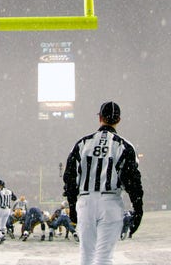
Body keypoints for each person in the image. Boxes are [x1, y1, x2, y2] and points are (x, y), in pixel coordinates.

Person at [63, 101, 144, 264]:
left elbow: (69, 177)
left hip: (85, 201)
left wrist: (72, 204)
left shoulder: (82, 143)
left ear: (100, 118)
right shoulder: (124, 146)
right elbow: (132, 180)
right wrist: (138, 208)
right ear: (118, 120)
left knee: (86, 256)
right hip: (110, 202)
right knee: (104, 257)